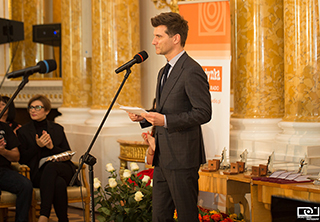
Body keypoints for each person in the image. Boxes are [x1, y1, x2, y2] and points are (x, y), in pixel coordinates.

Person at [127, 12, 212, 222]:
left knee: (186, 216)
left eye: (158, 36)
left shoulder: (191, 70)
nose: (153, 41)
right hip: (162, 157)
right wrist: (144, 116)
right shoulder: (164, 71)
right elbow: (165, 108)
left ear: (175, 38)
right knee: (160, 216)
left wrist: (164, 121)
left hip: (183, 158)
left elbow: (203, 112)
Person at [17, 94, 77, 222]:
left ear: (47, 111)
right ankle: (63, 220)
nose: (33, 110)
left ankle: (44, 215)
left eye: (37, 107)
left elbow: (67, 153)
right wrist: (37, 146)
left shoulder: (57, 129)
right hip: (39, 174)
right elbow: (22, 158)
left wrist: (51, 148)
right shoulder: (23, 131)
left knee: (51, 167)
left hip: (63, 168)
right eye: (31, 107)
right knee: (58, 183)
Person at [0, 115, 33, 222]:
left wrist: (3, 152)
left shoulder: (4, 128)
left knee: (26, 185)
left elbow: (16, 156)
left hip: (3, 171)